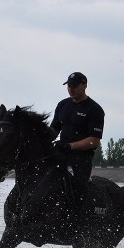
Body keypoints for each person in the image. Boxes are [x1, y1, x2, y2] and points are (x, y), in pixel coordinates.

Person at [49, 72, 105, 214]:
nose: (70, 89)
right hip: (60, 154)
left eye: (74, 86)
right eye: (68, 85)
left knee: (78, 188)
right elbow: (53, 131)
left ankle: (82, 219)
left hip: (81, 159)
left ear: (84, 85)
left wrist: (69, 146)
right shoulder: (62, 105)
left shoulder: (95, 109)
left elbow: (94, 141)